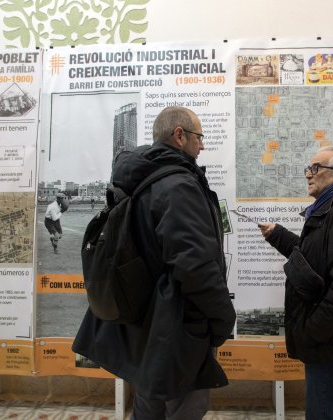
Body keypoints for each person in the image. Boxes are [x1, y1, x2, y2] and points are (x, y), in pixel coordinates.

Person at [76, 107, 236, 419]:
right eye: (199, 137)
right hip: (176, 328)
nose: (202, 145)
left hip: (141, 321)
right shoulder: (179, 186)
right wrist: (222, 319)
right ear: (180, 135)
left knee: (148, 404)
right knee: (186, 407)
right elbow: (196, 266)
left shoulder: (139, 179)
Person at [259, 146, 333, 420]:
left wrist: (314, 331)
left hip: (328, 339)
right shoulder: (330, 210)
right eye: (308, 169)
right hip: (331, 337)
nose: (309, 175)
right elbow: (313, 260)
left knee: (325, 410)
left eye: (316, 168)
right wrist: (278, 235)